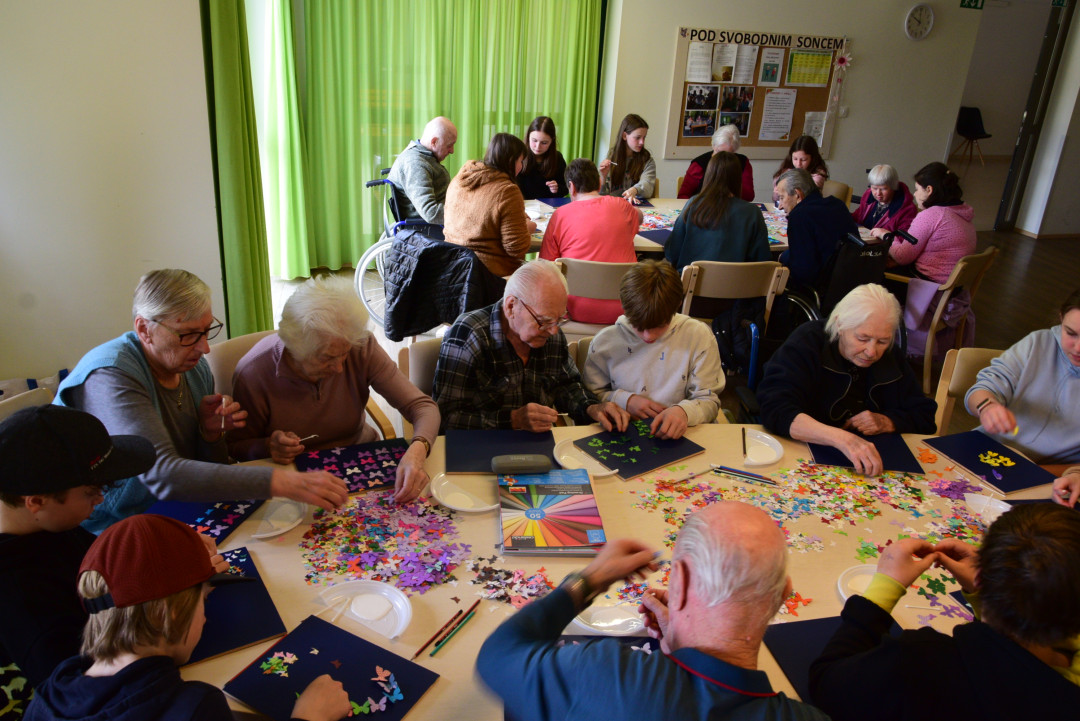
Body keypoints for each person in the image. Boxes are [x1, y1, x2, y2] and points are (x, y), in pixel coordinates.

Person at [476, 502, 830, 721]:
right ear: (783, 594)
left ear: (683, 581)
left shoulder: (607, 676)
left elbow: (498, 656)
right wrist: (685, 651)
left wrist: (590, 579)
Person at [55, 269, 348, 532]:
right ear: (144, 329)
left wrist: (209, 435)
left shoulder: (194, 370)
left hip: (176, 506)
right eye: (188, 335)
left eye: (207, 331)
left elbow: (209, 469)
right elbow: (164, 477)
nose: (205, 348)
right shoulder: (110, 375)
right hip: (107, 524)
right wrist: (282, 482)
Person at [26, 514, 352, 721]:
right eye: (204, 600)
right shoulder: (194, 708)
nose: (207, 619)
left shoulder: (56, 686)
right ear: (168, 613)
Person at [809, 503, 1080, 721]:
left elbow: (826, 685)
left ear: (981, 577)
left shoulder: (920, 660)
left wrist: (884, 587)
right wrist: (985, 596)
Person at [228, 276, 439, 503]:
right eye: (327, 358)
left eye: (344, 353)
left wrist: (418, 449)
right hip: (293, 480)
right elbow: (236, 447)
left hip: (360, 461)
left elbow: (422, 406)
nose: (339, 368)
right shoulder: (253, 373)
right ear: (295, 350)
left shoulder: (359, 345)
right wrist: (268, 446)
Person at [0, 406, 154, 693]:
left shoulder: (51, 526)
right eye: (90, 491)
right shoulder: (23, 603)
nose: (100, 500)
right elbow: (82, 693)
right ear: (36, 502)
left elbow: (107, 568)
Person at [757, 284, 936, 476]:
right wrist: (843, 439)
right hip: (802, 456)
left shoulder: (890, 356)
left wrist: (887, 421)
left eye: (883, 341)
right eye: (862, 338)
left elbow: (924, 415)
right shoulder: (808, 342)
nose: (871, 351)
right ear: (840, 325)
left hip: (872, 468)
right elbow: (774, 408)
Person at [432, 260, 629, 433]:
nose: (553, 331)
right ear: (511, 307)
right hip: (481, 450)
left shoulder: (550, 333)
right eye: (543, 321)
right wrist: (513, 420)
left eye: (559, 319)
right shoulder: (469, 336)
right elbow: (447, 418)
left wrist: (591, 408)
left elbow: (566, 385)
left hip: (538, 446)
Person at [583, 260, 722, 439]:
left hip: (684, 434)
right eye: (638, 326)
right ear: (625, 308)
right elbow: (591, 399)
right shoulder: (605, 342)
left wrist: (684, 412)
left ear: (677, 305)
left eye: (660, 326)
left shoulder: (698, 336)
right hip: (623, 434)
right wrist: (625, 401)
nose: (648, 336)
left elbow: (708, 400)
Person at [966, 288, 1080, 501]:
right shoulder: (1038, 343)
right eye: (1070, 333)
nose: (1078, 348)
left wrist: (1032, 469)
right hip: (985, 453)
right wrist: (987, 406)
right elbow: (982, 390)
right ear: (1060, 319)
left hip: (1053, 478)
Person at [538, 158, 641, 324]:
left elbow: (545, 267)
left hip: (575, 311)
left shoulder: (560, 215)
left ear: (571, 187)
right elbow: (639, 218)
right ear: (599, 184)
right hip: (626, 308)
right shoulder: (623, 207)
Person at [443, 132, 538, 277]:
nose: (522, 167)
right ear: (512, 161)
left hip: (452, 267)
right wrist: (528, 227)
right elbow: (516, 248)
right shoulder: (507, 190)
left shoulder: (460, 179)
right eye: (521, 161)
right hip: (489, 274)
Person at [665, 152, 770, 271]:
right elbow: (763, 260)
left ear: (709, 175)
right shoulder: (753, 212)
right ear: (738, 178)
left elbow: (672, 252)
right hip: (737, 286)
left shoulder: (694, 203)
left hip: (691, 285)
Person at [887, 162, 975, 283]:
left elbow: (902, 257)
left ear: (929, 190)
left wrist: (888, 236)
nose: (914, 194)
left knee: (871, 273)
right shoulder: (962, 211)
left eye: (917, 189)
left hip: (926, 288)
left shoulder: (932, 215)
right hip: (952, 288)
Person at [775, 168, 859, 292]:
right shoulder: (838, 205)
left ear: (798, 195)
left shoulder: (800, 216)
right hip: (851, 283)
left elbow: (802, 271)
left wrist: (783, 258)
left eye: (782, 197)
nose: (780, 205)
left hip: (819, 288)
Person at [386, 116, 457, 224]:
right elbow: (431, 213)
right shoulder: (415, 163)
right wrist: (463, 213)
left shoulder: (424, 158)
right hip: (431, 231)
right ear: (434, 142)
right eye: (449, 145)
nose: (452, 151)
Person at [677, 124, 754, 201]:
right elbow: (683, 196)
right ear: (713, 145)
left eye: (728, 154)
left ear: (734, 151)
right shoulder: (699, 164)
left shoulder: (743, 162)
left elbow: (749, 196)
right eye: (718, 152)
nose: (721, 157)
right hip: (703, 208)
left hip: (732, 208)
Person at [851, 164, 917, 240]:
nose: (878, 193)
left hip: (883, 248)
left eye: (883, 189)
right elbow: (857, 217)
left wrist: (885, 235)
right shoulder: (868, 195)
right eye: (874, 188)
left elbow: (903, 240)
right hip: (859, 242)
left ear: (893, 187)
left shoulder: (908, 209)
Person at [599, 113, 655, 203]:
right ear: (625, 136)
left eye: (644, 137)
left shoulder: (647, 160)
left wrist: (635, 190)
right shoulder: (612, 157)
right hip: (614, 207)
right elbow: (602, 196)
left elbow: (648, 186)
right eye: (637, 137)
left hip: (637, 208)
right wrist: (603, 177)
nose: (642, 142)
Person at [517, 116, 568, 200]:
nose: (537, 147)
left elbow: (566, 188)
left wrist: (557, 188)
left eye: (544, 143)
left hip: (549, 208)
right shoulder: (518, 157)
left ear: (552, 141)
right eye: (534, 140)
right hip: (523, 206)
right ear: (528, 137)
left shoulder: (557, 158)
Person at [772, 135, 828, 200]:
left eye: (803, 160)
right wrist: (777, 192)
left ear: (812, 159)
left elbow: (804, 198)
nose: (798, 164)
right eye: (795, 159)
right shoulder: (786, 170)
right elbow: (775, 199)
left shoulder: (818, 175)